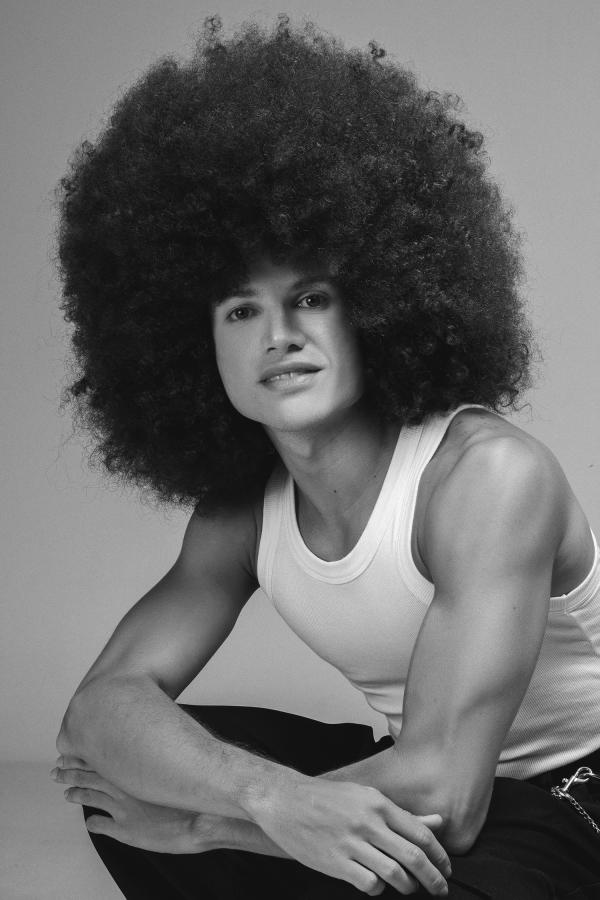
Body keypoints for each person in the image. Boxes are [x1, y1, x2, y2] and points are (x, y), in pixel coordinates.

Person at [52, 16, 600, 899]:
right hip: (410, 766)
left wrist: (205, 827)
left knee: (222, 821)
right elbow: (98, 710)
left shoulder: (485, 475)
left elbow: (447, 797)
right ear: (195, 345)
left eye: (309, 297)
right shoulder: (242, 510)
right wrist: (272, 797)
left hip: (569, 796)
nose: (279, 335)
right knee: (120, 782)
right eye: (241, 311)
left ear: (375, 306)